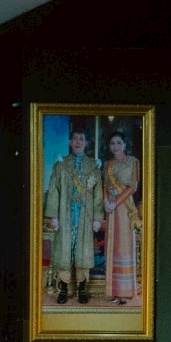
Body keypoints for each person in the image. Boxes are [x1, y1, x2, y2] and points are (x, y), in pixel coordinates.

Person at [43, 123, 103, 305]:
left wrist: (97, 218)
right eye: (75, 139)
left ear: (86, 143)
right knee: (64, 252)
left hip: (85, 215)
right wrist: (53, 216)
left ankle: (82, 289)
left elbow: (98, 194)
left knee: (83, 252)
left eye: (81, 139)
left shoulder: (93, 166)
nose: (78, 142)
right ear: (70, 142)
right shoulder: (61, 164)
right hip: (65, 215)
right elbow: (54, 190)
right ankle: (63, 289)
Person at [102, 130, 141, 306]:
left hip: (124, 207)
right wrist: (106, 201)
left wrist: (115, 202)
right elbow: (105, 186)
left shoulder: (133, 162)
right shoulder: (107, 165)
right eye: (112, 143)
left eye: (119, 142)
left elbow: (133, 187)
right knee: (112, 247)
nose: (116, 146)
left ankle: (125, 292)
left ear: (124, 145)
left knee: (124, 246)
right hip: (110, 208)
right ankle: (113, 290)